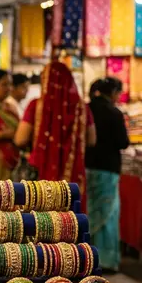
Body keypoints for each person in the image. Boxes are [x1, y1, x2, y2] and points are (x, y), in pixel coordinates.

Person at [14, 62, 96, 192]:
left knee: (40, 208)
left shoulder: (36, 106)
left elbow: (20, 139)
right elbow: (92, 140)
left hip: (41, 172)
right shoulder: (82, 108)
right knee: (69, 208)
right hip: (72, 172)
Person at [85, 77, 129, 272]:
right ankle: (106, 259)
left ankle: (86, 257)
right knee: (108, 213)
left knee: (89, 208)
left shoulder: (86, 109)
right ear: (112, 93)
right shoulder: (114, 113)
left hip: (87, 166)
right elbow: (123, 142)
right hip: (108, 168)